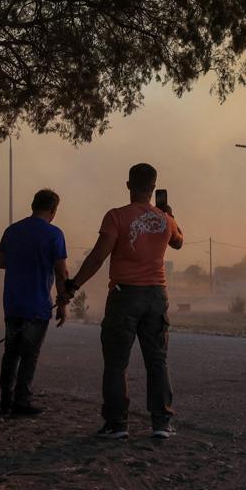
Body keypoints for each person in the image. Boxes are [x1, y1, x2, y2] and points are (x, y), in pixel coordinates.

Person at [64, 163, 182, 439]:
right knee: (157, 361)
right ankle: (161, 423)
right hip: (156, 295)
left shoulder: (116, 217)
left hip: (124, 295)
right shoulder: (165, 219)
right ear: (153, 188)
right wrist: (171, 215)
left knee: (117, 363)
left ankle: (117, 424)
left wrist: (73, 286)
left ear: (128, 185)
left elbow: (97, 257)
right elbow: (178, 242)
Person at [0, 189, 68, 416]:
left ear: (33, 204)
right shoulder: (54, 234)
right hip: (37, 304)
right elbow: (61, 272)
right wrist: (63, 303)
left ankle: (5, 399)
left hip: (13, 302)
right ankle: (22, 401)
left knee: (11, 352)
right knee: (30, 354)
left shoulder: (13, 230)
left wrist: (20, 261)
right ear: (53, 210)